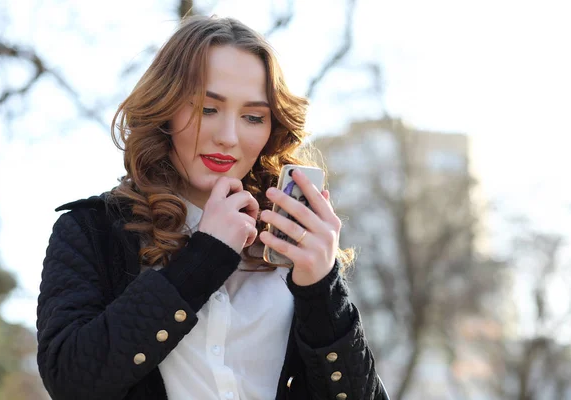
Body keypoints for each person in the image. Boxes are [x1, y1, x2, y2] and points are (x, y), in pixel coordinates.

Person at [36, 15, 389, 400]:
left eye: (253, 117)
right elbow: (70, 379)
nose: (228, 137)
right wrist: (206, 256)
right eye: (207, 108)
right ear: (165, 107)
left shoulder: (289, 239)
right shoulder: (92, 231)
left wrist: (323, 287)